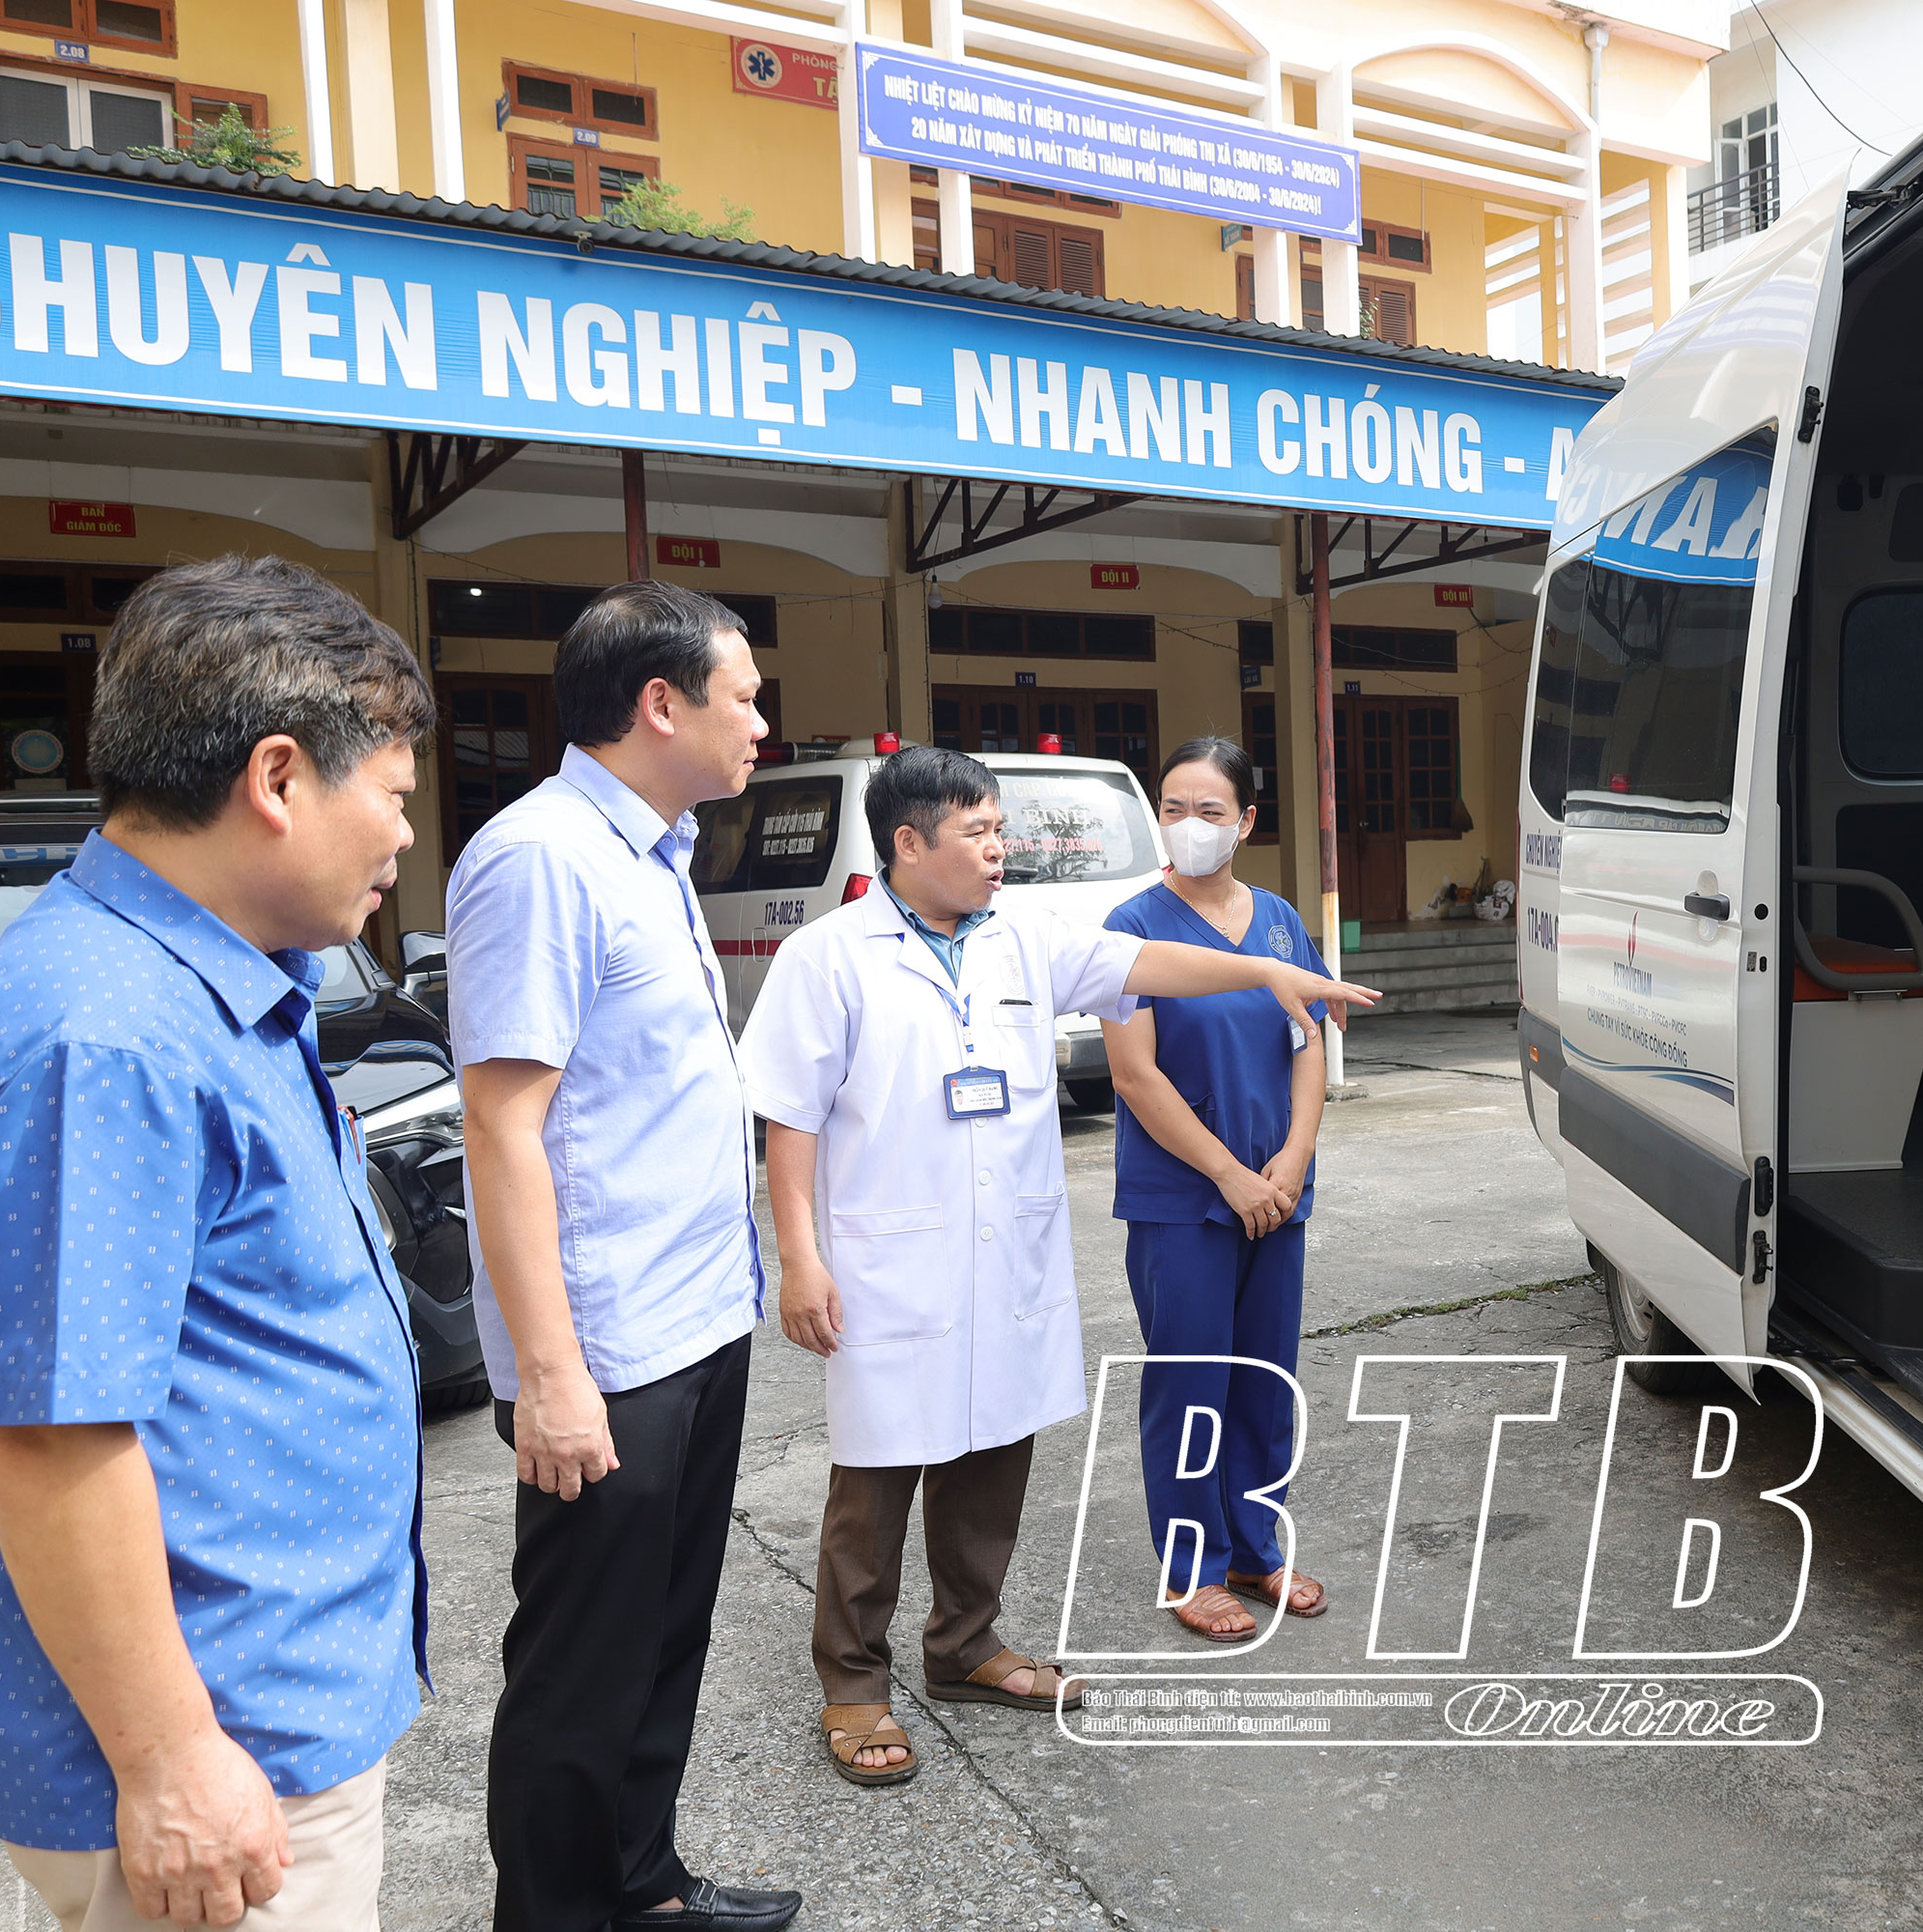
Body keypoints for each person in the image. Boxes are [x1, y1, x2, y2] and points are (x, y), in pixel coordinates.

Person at [0, 554, 433, 1930]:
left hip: (266, 1710)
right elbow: (53, 1440)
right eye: (393, 798)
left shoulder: (209, 985)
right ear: (278, 778)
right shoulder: (100, 1036)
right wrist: (171, 1760)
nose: (401, 840)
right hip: (220, 1755)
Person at [736, 745, 1375, 1784]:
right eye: (979, 832)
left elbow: (1149, 967)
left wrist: (1264, 968)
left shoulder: (1024, 936)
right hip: (892, 1259)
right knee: (880, 1469)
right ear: (910, 842)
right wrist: (798, 1256)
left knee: (994, 1449)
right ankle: (853, 1682)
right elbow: (789, 1118)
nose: (1001, 849)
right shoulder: (830, 955)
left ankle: (966, 1645)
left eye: (1002, 829)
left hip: (1008, 1251)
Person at [447, 581, 797, 1932]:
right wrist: (549, 1374)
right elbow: (502, 1123)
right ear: (661, 703)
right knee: (579, 1669)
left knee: (663, 1637)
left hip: (696, 1315)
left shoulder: (655, 850)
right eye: (744, 697)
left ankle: (640, 1883)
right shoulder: (542, 858)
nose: (761, 721)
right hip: (606, 1353)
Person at [1100, 739, 1332, 1640]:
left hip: (1277, 1192)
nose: (1187, 825)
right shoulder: (1131, 924)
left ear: (1246, 822)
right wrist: (1229, 1174)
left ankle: (1255, 1549)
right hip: (1183, 1200)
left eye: (1208, 810)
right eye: (1172, 808)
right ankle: (1192, 1568)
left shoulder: (1278, 922)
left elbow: (1307, 1042)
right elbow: (1135, 1075)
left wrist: (1295, 1156)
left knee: (1266, 1381)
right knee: (1191, 1385)